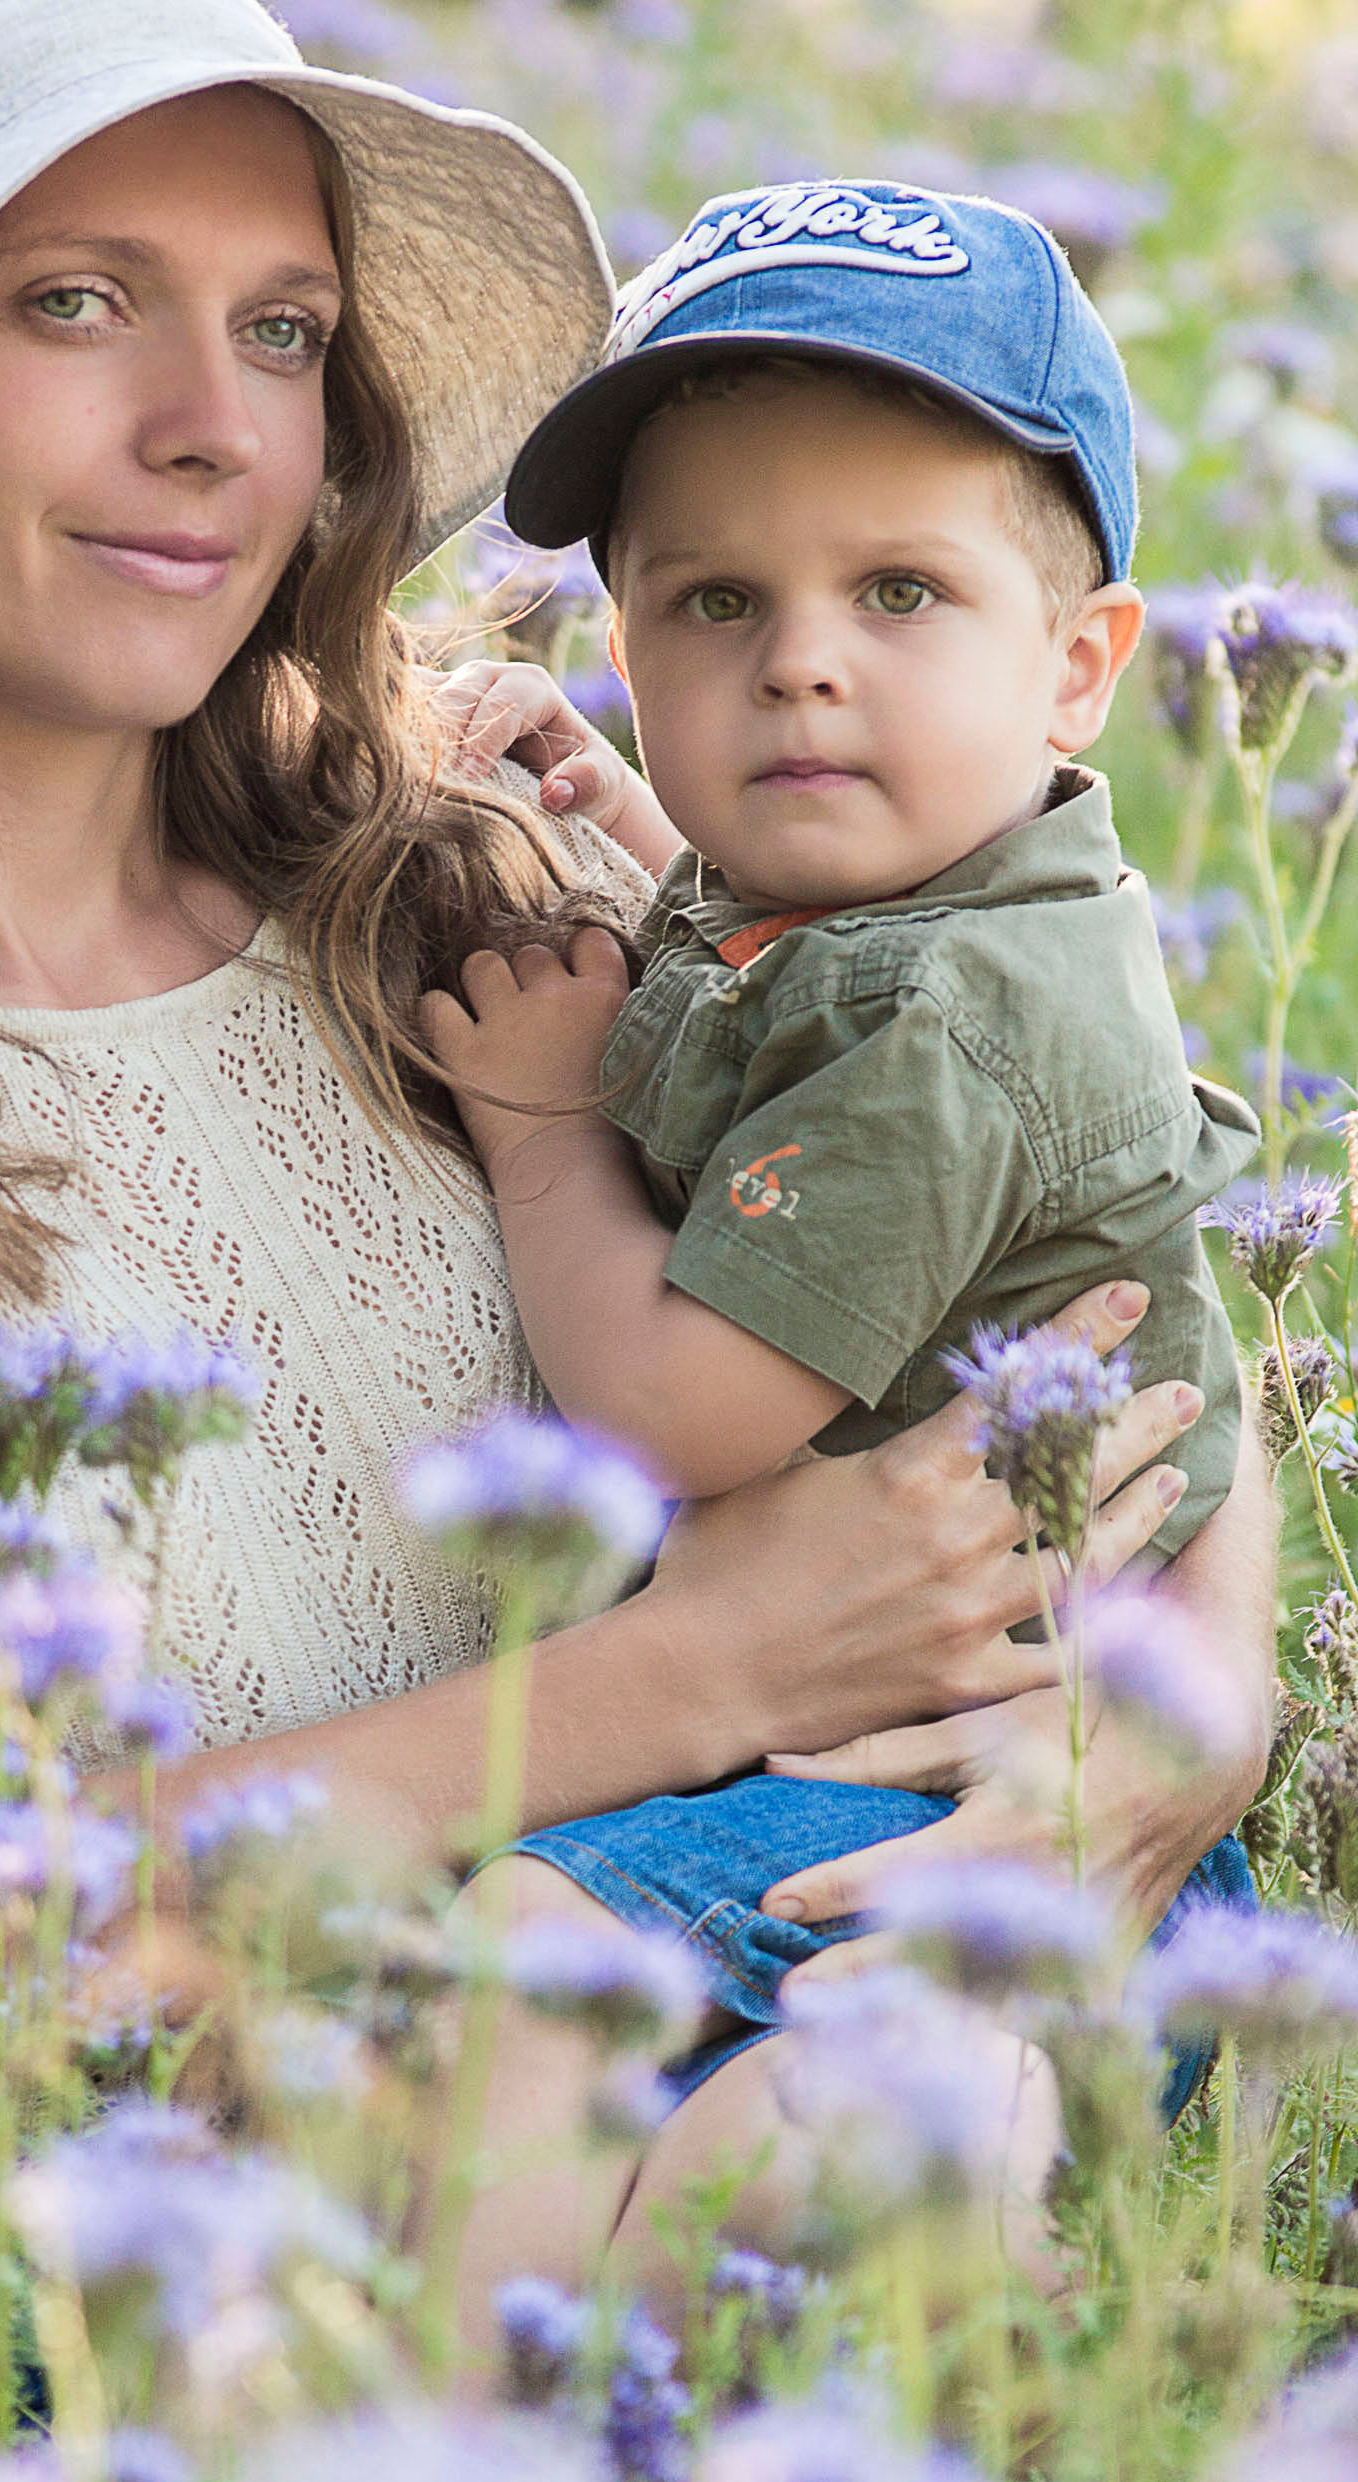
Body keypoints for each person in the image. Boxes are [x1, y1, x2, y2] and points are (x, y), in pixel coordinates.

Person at [0, 0, 1270, 2366]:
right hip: (136, 2313)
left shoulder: (449, 878)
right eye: (75, 302)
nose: (217, 423)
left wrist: (1193, 1708)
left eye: (283, 331)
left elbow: (1043, 1211)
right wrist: (688, 1673)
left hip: (778, 1994)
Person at [423, 180, 1261, 2313]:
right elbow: (761, 994)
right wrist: (636, 845)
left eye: (897, 591)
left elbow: (686, 1409)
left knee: (527, 1999)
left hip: (948, 1784)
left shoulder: (946, 1013)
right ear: (620, 651)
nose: (797, 659)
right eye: (710, 604)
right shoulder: (914, 890)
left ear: (1078, 669)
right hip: (914, 1750)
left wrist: (534, 1129)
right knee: (701, 2126)